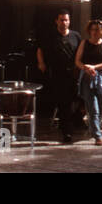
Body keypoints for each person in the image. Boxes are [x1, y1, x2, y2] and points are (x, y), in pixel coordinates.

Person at [36, 8, 82, 143]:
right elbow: (40, 49)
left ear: (69, 21)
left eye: (66, 20)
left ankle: (72, 122)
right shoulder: (50, 36)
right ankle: (67, 132)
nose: (64, 22)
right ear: (56, 21)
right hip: (57, 74)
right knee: (64, 103)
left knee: (76, 100)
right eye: (61, 20)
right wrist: (41, 63)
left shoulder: (76, 36)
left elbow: (81, 52)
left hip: (73, 74)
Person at [75, 19, 102, 146]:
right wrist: (86, 68)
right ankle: (97, 136)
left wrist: (94, 67)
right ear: (89, 31)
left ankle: (92, 127)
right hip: (87, 77)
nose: (95, 32)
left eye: (98, 30)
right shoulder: (84, 43)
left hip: (101, 77)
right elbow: (77, 61)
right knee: (93, 109)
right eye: (93, 29)